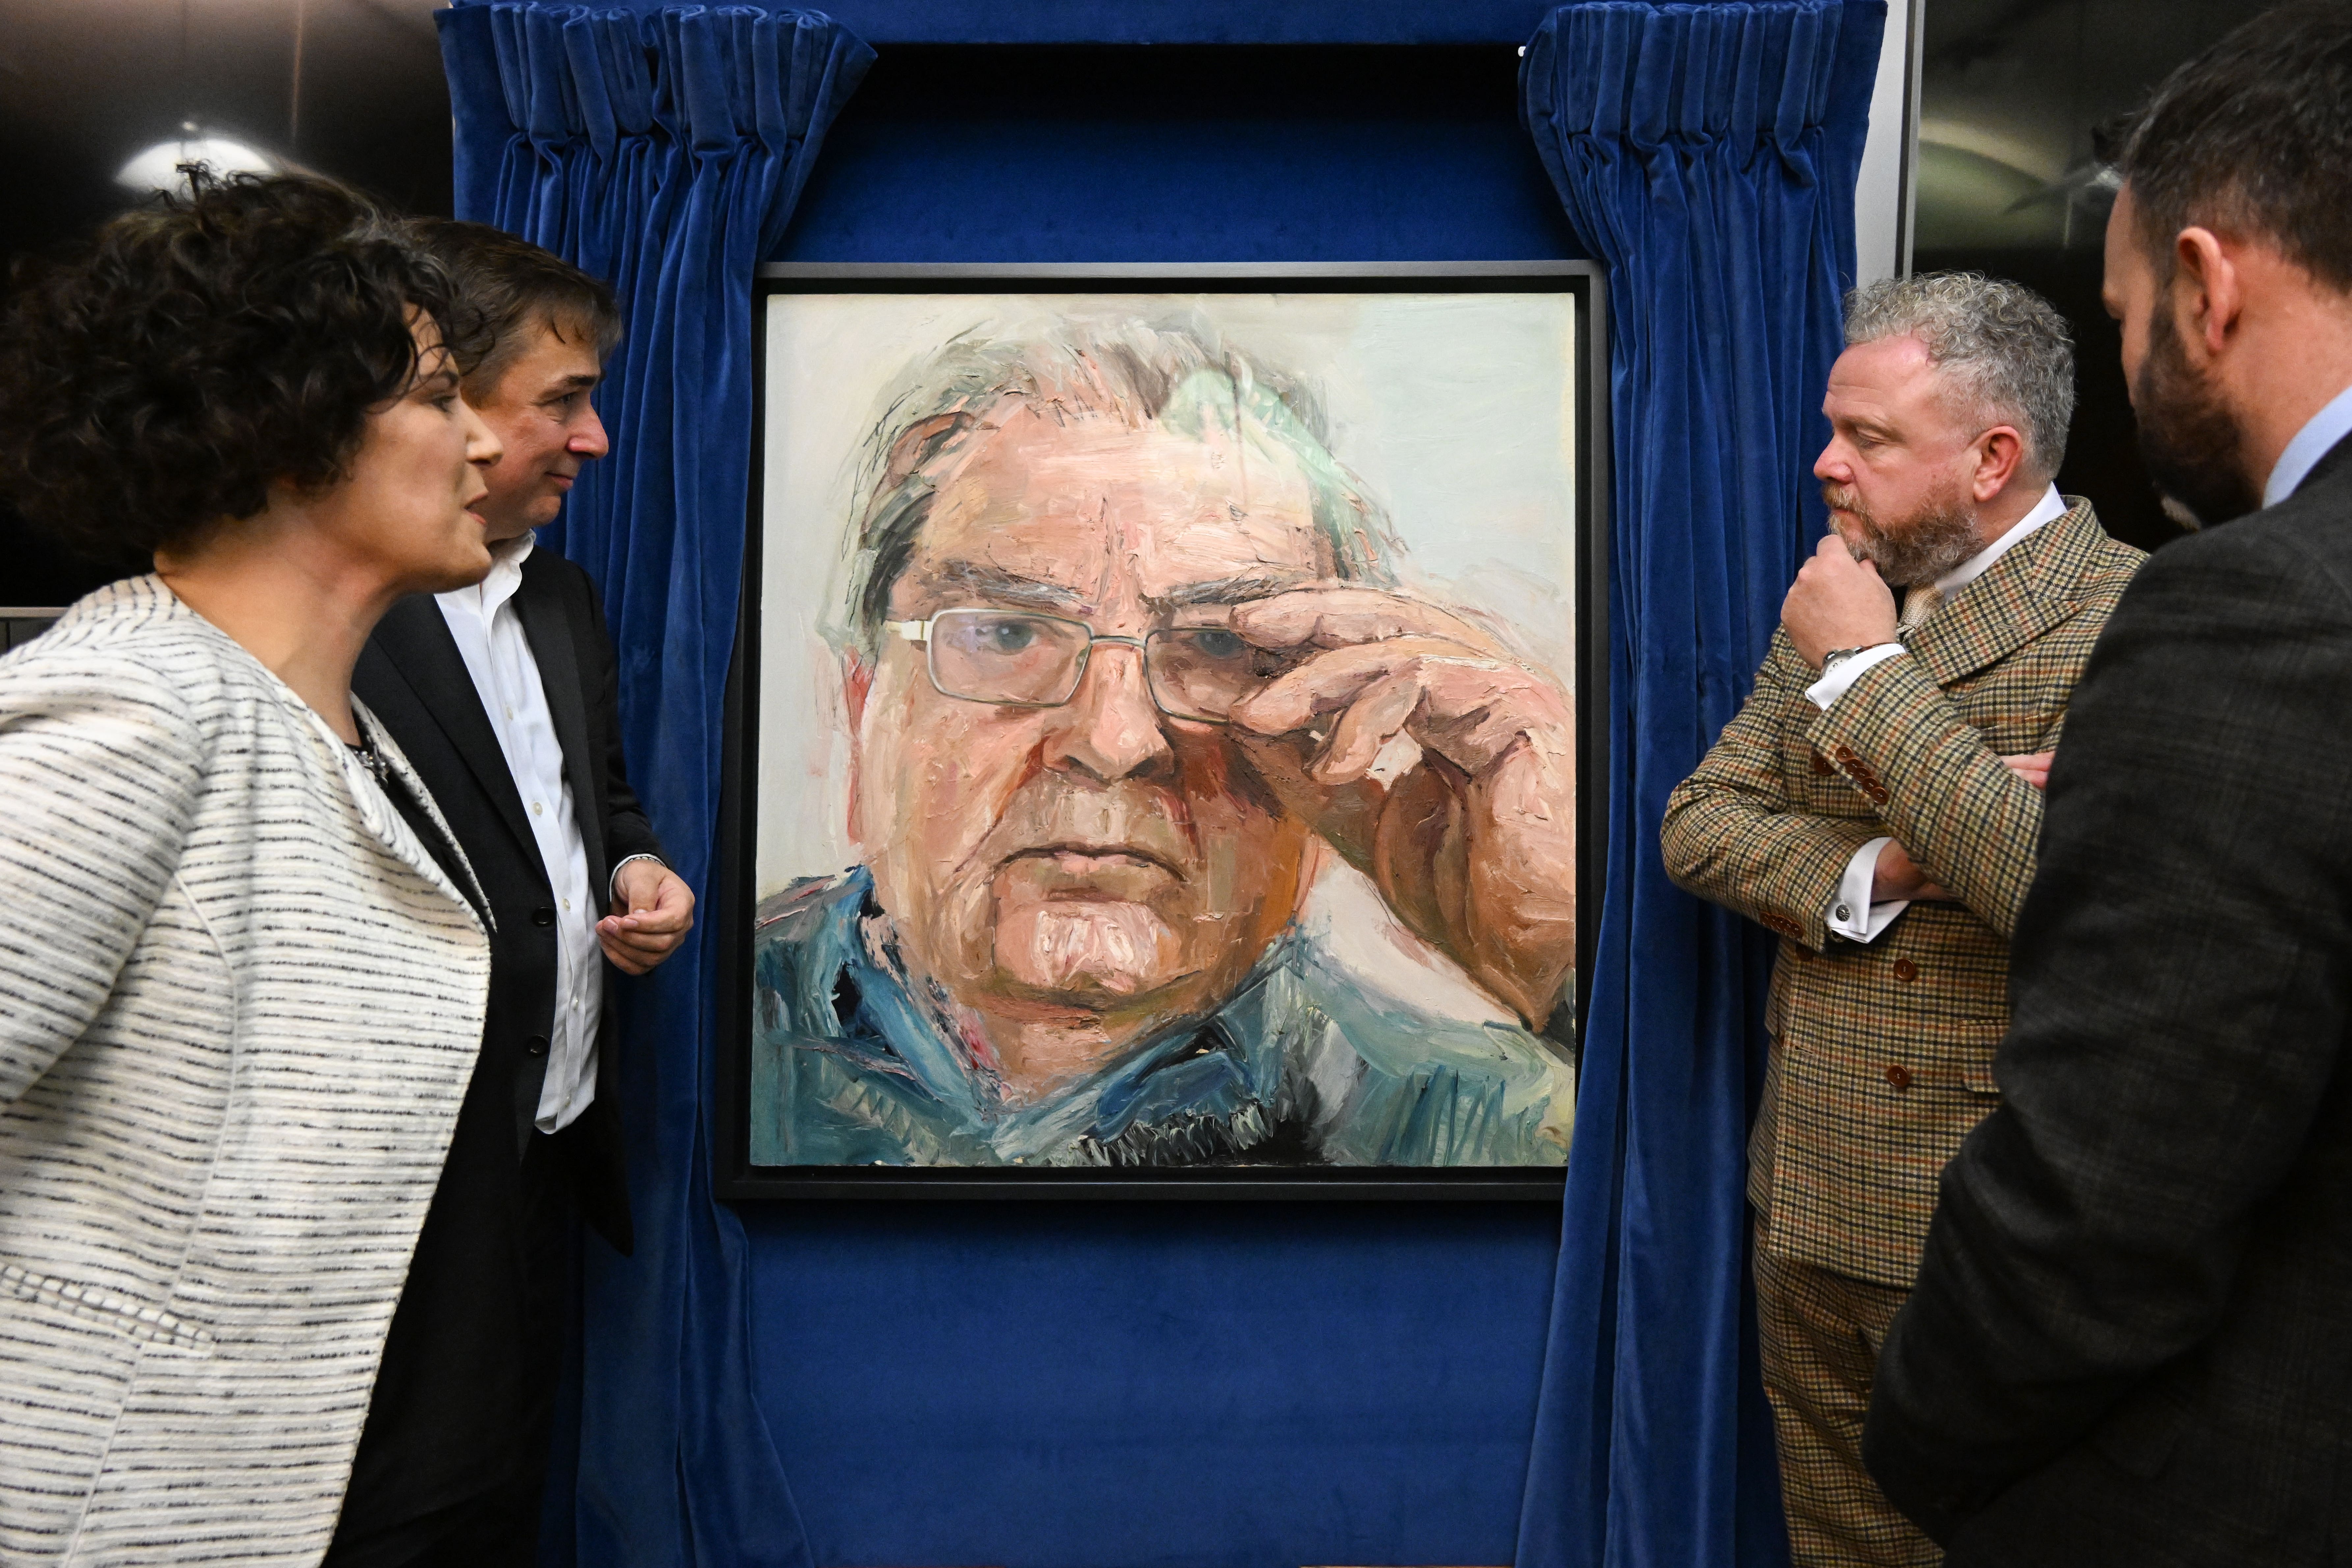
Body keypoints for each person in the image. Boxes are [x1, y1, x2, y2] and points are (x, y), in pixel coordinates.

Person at [1863, 10, 2352, 1563]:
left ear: (2205, 292)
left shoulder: (2228, 613)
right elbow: (1709, 822)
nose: (1829, 465)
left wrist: (1928, 1441)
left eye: (2129, 310)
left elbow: (2104, 1202)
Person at [751, 324, 1579, 1167]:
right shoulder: (688, 1038)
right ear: (863, 708)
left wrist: (1565, 956)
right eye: (1005, 633)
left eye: (1220, 648)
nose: (1116, 741)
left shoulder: (1501, 1123)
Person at [0, 177, 501, 1561]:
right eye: (442, 396)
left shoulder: (345, 722)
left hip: (345, 1477)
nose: (485, 442)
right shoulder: (133, 712)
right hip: (119, 1496)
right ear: (289, 428)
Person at [1660, 273, 2144, 1567]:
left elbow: (2061, 890)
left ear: (1993, 457)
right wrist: (1896, 855)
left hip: (1986, 1240)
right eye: (1834, 427)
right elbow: (1701, 823)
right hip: (1809, 1203)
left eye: (1866, 438)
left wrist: (1868, 677)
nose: (1824, 463)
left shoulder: (2137, 622)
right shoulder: (1843, 588)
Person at [333, 222, 691, 1564]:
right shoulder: (333, 617)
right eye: (561, 401)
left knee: (492, 1506)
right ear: (443, 406)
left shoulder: (563, 599)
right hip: (398, 1194)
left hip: (543, 1158)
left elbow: (590, 796)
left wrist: (636, 864)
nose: (592, 439)